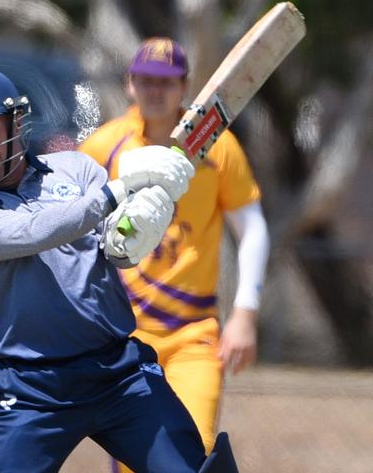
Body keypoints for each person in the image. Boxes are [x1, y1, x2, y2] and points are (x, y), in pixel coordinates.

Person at [0, 67, 239, 472]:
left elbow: (114, 250)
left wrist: (139, 225)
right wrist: (116, 192)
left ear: (16, 121)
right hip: (34, 390)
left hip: (120, 374)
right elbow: (34, 232)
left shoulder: (75, 169)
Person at [79, 37, 270, 468]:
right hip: (123, 336)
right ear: (130, 84)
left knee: (190, 452)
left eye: (166, 81)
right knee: (135, 460)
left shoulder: (218, 147)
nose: (155, 90)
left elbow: (253, 227)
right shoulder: (103, 146)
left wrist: (246, 313)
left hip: (194, 334)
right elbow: (73, 231)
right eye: (146, 80)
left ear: (184, 86)